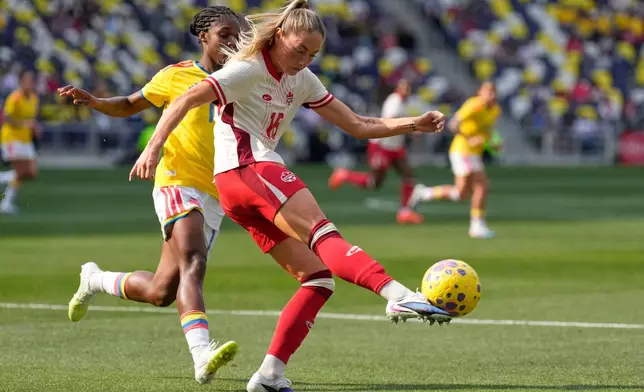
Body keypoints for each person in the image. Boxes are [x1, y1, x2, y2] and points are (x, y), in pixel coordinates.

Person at [130, 1, 449, 390]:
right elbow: (184, 98)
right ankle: (396, 293)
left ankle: (269, 375)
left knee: (317, 278)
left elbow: (358, 125)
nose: (305, 60)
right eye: (300, 50)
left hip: (241, 187)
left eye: (313, 54)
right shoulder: (247, 68)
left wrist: (413, 123)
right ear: (280, 35)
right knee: (323, 234)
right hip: (248, 169)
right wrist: (152, 147)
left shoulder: (303, 79)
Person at [59, 6, 243, 384]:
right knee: (195, 260)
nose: (232, 41)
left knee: (163, 291)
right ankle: (202, 356)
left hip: (215, 191)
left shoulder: (244, 77)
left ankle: (94, 279)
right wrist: (95, 101)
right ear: (204, 36)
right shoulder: (176, 75)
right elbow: (130, 103)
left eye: (237, 34)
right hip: (177, 181)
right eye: (225, 33)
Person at [407, 81, 501, 238]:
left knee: (461, 194)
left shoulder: (495, 110)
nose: (491, 95)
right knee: (481, 186)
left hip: (473, 153)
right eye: (488, 91)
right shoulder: (474, 105)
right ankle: (476, 226)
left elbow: (487, 132)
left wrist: (493, 143)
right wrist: (470, 138)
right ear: (480, 92)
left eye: (493, 91)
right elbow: (454, 124)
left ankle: (424, 193)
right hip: (462, 150)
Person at [327, 79, 424, 225]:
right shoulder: (394, 102)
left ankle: (405, 212)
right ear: (398, 88)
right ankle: (345, 175)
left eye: (409, 87)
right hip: (382, 146)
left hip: (395, 146)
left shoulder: (404, 102)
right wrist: (411, 129)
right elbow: (390, 120)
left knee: (408, 175)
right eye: (404, 87)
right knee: (374, 182)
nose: (407, 90)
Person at [0, 69, 41, 215]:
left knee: (31, 173)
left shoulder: (34, 98)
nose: (30, 83)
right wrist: (25, 124)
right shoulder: (15, 97)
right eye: (27, 80)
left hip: (25, 138)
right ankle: (6, 202)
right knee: (20, 172)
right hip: (11, 137)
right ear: (21, 82)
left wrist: (34, 126)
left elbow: (31, 119)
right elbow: (7, 117)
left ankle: (3, 184)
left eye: (32, 80)